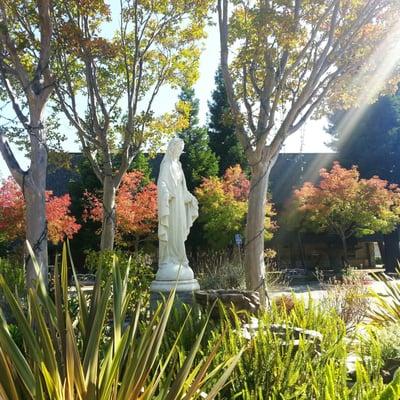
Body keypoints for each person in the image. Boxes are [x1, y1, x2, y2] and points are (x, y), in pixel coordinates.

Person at [156, 138, 198, 281]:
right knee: (171, 230)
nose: (180, 151)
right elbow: (161, 182)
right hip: (171, 204)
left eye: (181, 148)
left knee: (179, 231)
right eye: (178, 147)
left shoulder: (178, 165)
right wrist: (166, 192)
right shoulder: (166, 164)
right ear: (172, 148)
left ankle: (180, 259)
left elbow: (182, 187)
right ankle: (169, 259)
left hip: (179, 203)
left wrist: (189, 197)